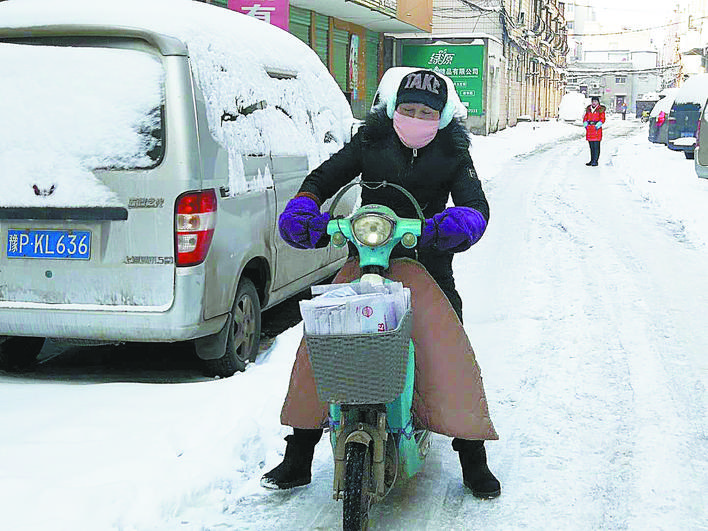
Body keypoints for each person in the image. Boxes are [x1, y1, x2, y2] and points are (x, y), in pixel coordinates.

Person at [261, 69, 501, 499]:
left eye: (426, 112)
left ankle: (472, 455)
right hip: (366, 257)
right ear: (393, 110)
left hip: (427, 263)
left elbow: (475, 204)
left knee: (448, 350)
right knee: (322, 341)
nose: (416, 118)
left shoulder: (452, 152)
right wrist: (304, 207)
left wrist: (456, 224)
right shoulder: (370, 141)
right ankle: (298, 455)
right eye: (408, 109)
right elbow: (322, 179)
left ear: (442, 117)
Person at [583, 96, 605, 166]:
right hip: (590, 130)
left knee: (596, 146)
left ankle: (595, 160)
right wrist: (585, 123)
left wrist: (599, 124)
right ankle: (592, 160)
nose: (594, 103)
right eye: (593, 101)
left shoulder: (600, 110)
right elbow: (585, 117)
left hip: (596, 130)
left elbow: (602, 118)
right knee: (591, 146)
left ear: (598, 102)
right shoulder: (589, 109)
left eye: (595, 101)